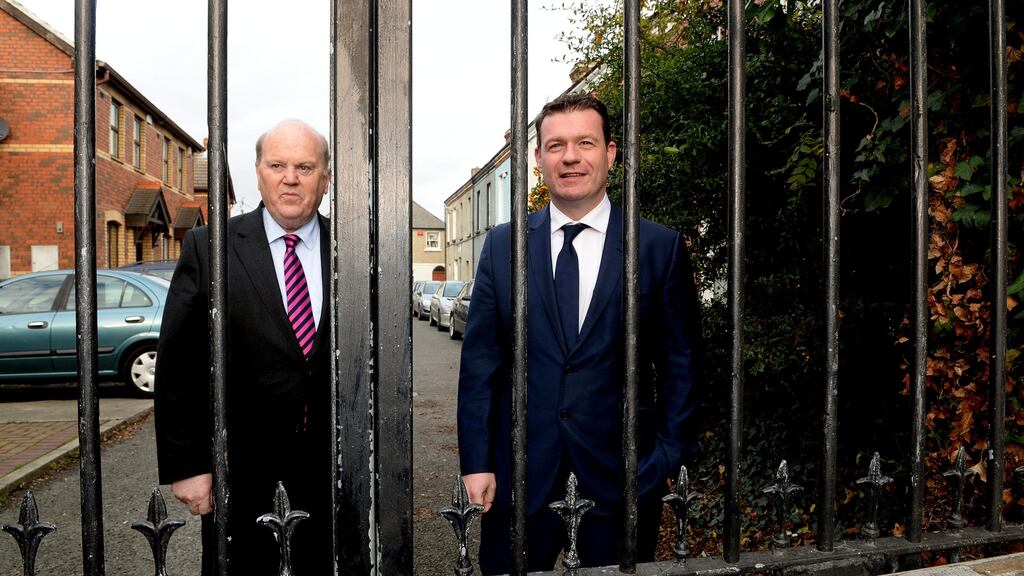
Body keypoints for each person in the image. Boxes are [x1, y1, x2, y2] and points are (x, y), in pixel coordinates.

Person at [457, 93, 701, 573]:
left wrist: (665, 459)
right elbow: (481, 365)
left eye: (585, 142)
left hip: (622, 482)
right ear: (539, 158)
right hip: (519, 480)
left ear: (610, 152)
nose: (570, 157)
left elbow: (682, 366)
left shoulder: (657, 247)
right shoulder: (502, 247)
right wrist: (478, 461)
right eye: (556, 145)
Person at [155, 119, 333, 575]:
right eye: (277, 164)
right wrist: (188, 464)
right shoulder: (209, 247)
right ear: (258, 172)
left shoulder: (354, 247)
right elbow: (179, 365)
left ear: (326, 177)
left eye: (305, 166)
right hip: (241, 470)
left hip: (334, 467)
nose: (290, 177)